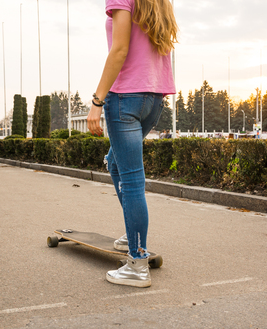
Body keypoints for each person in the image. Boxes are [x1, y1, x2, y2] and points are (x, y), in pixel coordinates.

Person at [87, 0, 178, 288]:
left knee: (132, 180)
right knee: (115, 162)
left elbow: (120, 49)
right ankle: (133, 231)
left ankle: (137, 264)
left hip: (126, 96)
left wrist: (96, 102)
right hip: (154, 97)